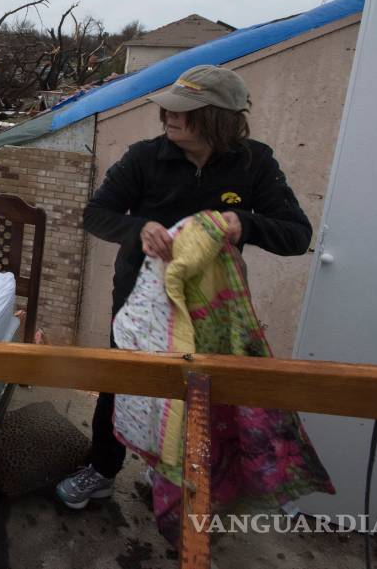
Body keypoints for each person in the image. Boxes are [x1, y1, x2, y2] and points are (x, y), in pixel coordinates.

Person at [55, 64, 312, 509]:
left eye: (184, 111)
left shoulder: (254, 164)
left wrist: (242, 222)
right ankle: (102, 469)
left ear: (219, 119)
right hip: (141, 301)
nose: (169, 117)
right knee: (120, 381)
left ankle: (178, 482)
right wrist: (138, 229)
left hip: (211, 310)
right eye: (169, 108)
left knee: (199, 399)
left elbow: (296, 235)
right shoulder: (144, 158)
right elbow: (96, 214)